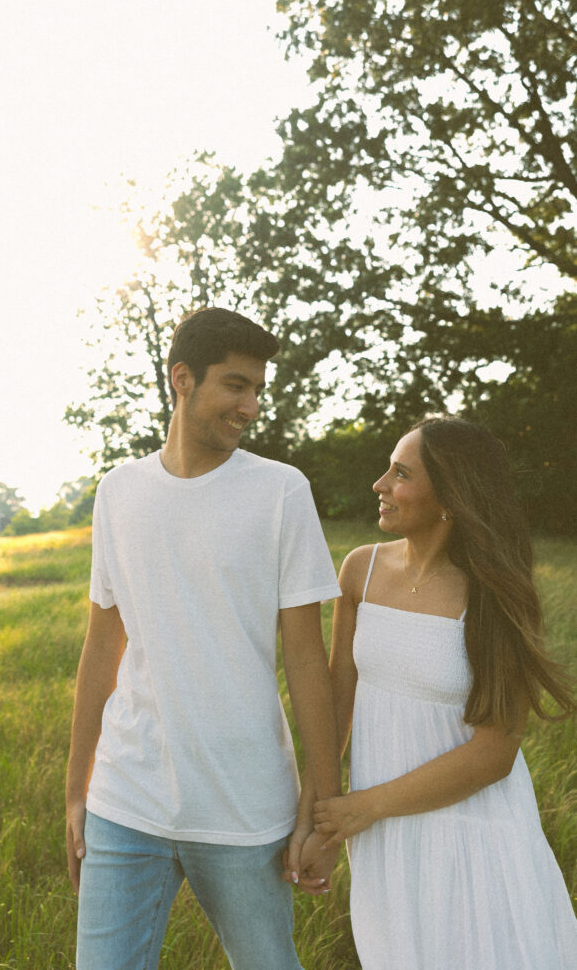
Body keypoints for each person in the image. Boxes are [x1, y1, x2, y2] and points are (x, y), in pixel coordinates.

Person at [65, 306, 341, 970]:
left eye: (256, 392)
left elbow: (306, 657)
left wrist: (322, 807)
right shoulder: (118, 492)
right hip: (125, 801)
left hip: (245, 807)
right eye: (235, 386)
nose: (249, 406)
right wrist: (77, 790)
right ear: (181, 379)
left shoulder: (279, 492)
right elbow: (103, 646)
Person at [311, 416, 576, 969]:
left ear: (451, 497)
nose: (379, 484)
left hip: (474, 838)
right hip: (383, 838)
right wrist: (319, 816)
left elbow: (493, 754)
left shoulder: (494, 594)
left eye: (400, 473)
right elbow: (338, 705)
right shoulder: (360, 571)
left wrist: (363, 808)